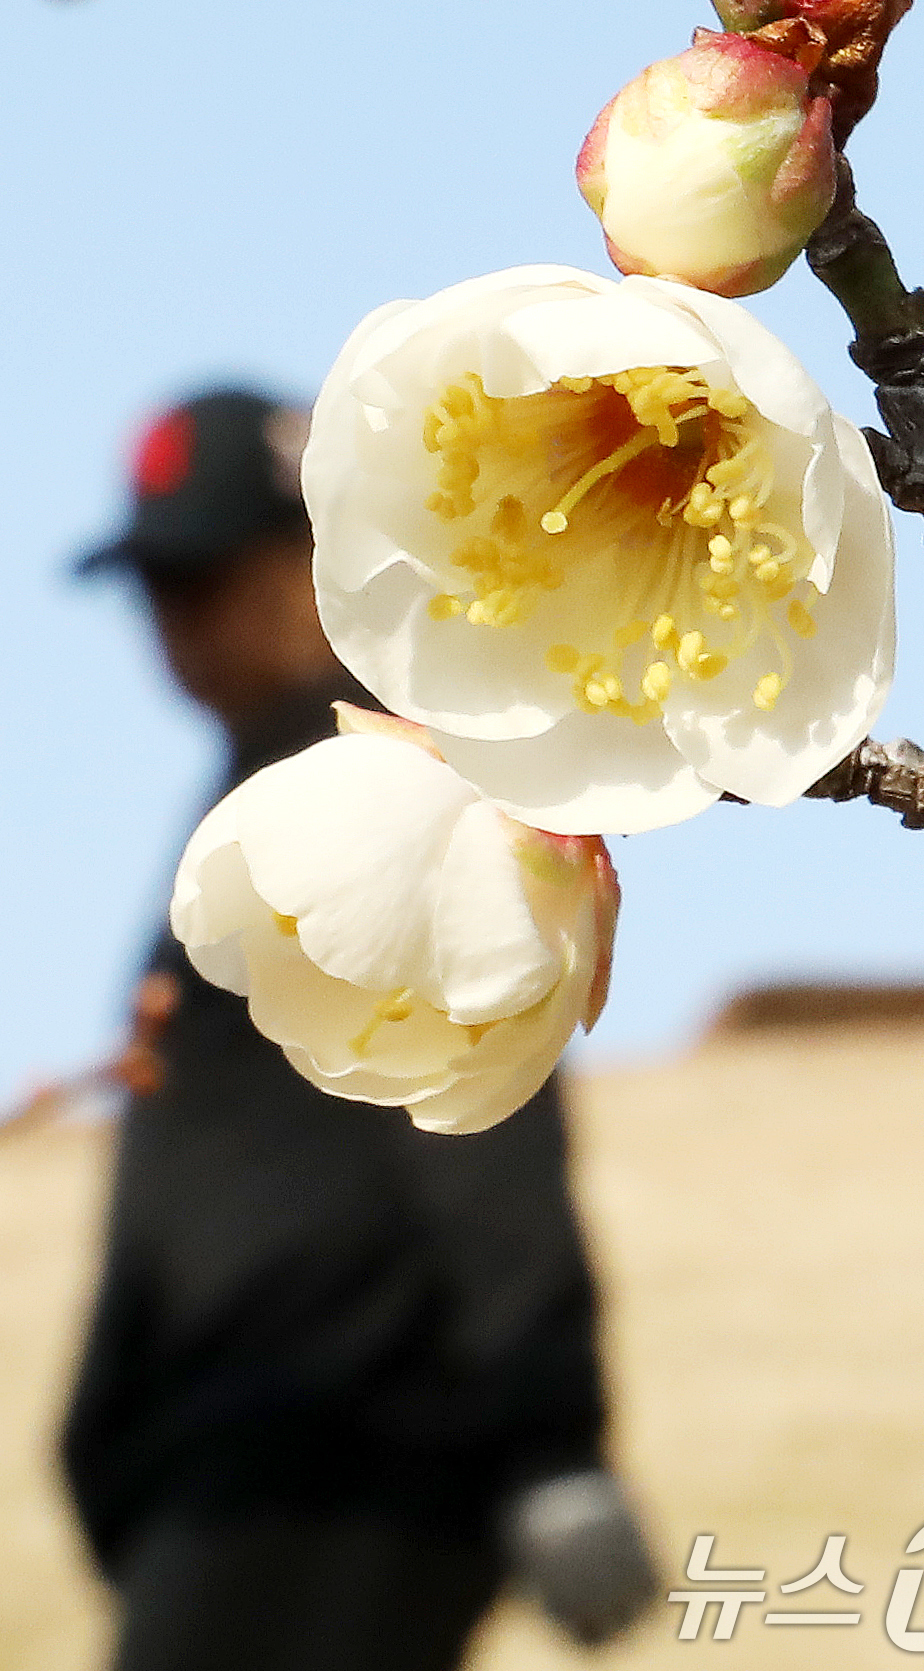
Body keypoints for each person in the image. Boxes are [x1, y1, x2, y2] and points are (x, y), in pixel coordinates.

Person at [61, 388, 655, 1671]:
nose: (178, 628)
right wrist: (107, 1439)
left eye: (209, 578)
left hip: (354, 1458)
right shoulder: (257, 797)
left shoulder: (411, 799)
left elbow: (476, 1115)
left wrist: (554, 1443)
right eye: (156, 589)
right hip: (214, 1476)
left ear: (316, 560)